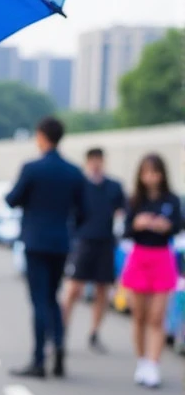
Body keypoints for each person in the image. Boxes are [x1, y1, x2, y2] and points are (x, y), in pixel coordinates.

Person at [6, 116, 86, 378]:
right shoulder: (74, 172)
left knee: (39, 301)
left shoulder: (32, 168)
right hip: (61, 242)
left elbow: (12, 199)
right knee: (54, 297)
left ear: (41, 136)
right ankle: (60, 346)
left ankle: (39, 360)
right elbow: (83, 210)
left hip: (36, 241)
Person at [120, 153, 181, 388]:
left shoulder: (172, 200)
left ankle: (154, 364)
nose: (151, 177)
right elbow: (126, 230)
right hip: (139, 256)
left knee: (157, 316)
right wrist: (138, 224)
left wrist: (165, 226)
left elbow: (177, 226)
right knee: (139, 315)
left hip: (162, 257)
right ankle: (142, 360)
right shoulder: (135, 200)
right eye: (147, 173)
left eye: (155, 172)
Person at [61, 148, 126, 353]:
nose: (96, 164)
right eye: (92, 161)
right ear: (87, 162)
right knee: (73, 289)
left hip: (105, 242)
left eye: (99, 160)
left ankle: (94, 331)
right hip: (83, 242)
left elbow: (123, 211)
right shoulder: (80, 186)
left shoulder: (114, 186)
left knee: (102, 290)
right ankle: (61, 330)